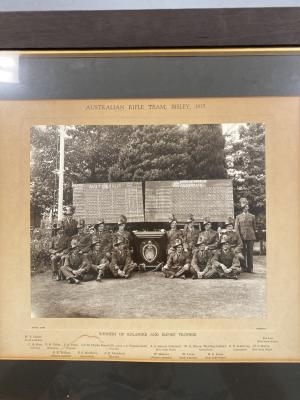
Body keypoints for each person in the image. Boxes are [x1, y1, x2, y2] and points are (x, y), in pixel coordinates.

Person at [235, 198, 256, 272]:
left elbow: (254, 227)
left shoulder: (252, 216)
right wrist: (238, 237)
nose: (245, 209)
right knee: (243, 252)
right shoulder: (238, 217)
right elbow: (236, 228)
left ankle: (250, 268)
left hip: (251, 236)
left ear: (248, 207)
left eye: (246, 207)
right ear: (242, 208)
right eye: (244, 207)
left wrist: (253, 235)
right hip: (242, 237)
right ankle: (243, 267)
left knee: (250, 253)